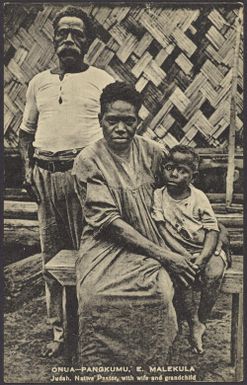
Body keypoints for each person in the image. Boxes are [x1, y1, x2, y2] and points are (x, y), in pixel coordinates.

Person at [72, 81, 201, 368]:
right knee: (95, 297)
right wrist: (167, 256)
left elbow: (184, 192)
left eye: (128, 121)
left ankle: (151, 368)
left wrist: (213, 227)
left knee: (159, 293)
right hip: (105, 245)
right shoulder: (88, 160)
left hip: (153, 240)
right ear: (100, 120)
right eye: (112, 120)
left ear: (138, 122)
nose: (120, 128)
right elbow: (108, 223)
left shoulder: (154, 153)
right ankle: (101, 371)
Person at [18, 5, 114, 358]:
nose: (69, 40)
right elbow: (25, 134)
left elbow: (119, 132)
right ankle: (59, 332)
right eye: (63, 33)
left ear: (88, 41)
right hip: (45, 177)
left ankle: (91, 330)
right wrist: (28, 169)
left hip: (83, 178)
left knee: (90, 255)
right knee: (51, 259)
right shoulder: (39, 83)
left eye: (77, 34)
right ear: (53, 38)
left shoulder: (101, 80)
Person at [151, 145, 228, 354]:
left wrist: (203, 257)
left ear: (193, 176)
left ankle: (202, 320)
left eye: (182, 170)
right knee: (182, 273)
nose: (174, 174)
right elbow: (161, 229)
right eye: (170, 168)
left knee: (213, 273)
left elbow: (213, 230)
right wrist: (181, 255)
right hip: (177, 249)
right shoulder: (159, 195)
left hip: (205, 247)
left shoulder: (198, 197)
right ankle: (193, 322)